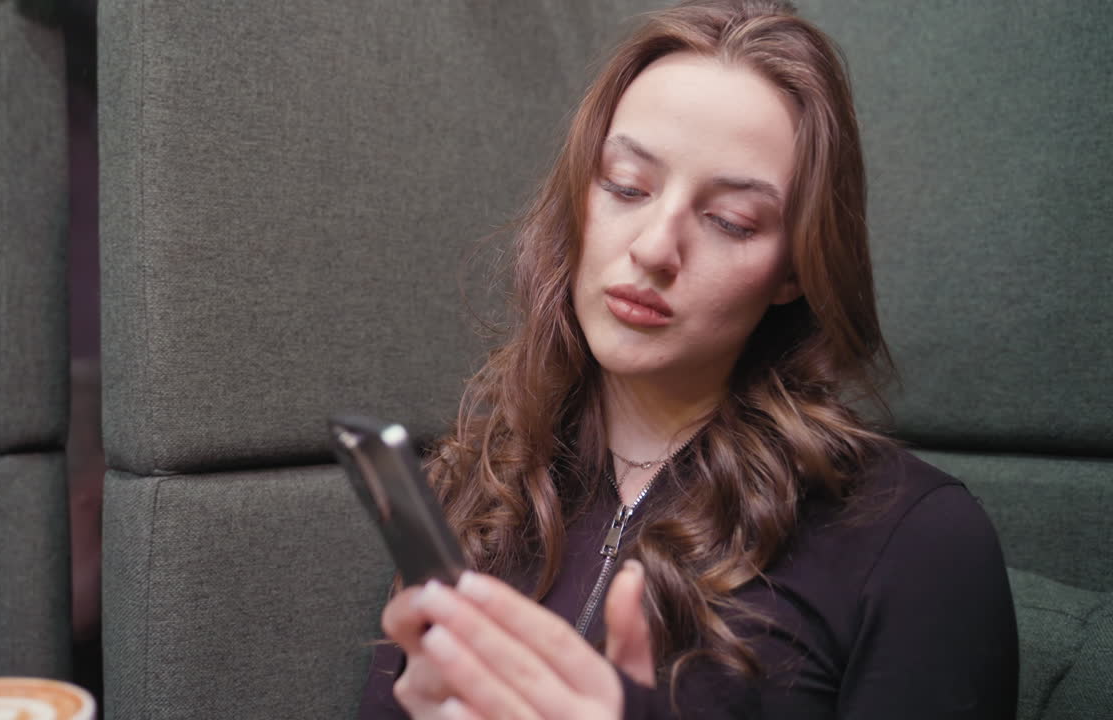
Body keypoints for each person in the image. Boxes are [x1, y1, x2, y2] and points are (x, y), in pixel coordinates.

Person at [357, 1, 1019, 717]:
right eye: (626, 186)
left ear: (795, 269)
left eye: (731, 221)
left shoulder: (920, 541)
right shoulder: (480, 483)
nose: (653, 248)